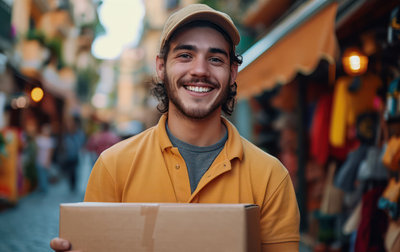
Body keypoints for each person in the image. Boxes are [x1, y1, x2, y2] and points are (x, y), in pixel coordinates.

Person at [51, 4, 300, 251]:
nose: (200, 70)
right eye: (185, 56)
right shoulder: (113, 166)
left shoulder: (271, 178)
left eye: (215, 59)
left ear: (232, 72)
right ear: (160, 67)